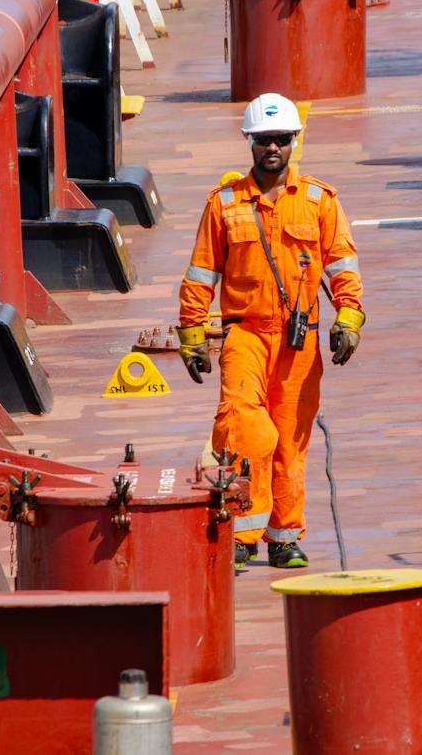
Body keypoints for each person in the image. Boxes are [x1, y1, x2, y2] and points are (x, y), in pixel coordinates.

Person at [176, 93, 365, 569]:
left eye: (281, 139)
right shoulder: (224, 205)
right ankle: (243, 535)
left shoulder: (320, 202)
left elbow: (344, 267)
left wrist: (348, 318)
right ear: (250, 143)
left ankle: (284, 539)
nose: (273, 148)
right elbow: (201, 274)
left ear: (294, 142)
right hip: (246, 334)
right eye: (264, 140)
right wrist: (192, 333)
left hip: (300, 340)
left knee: (291, 440)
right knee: (244, 428)